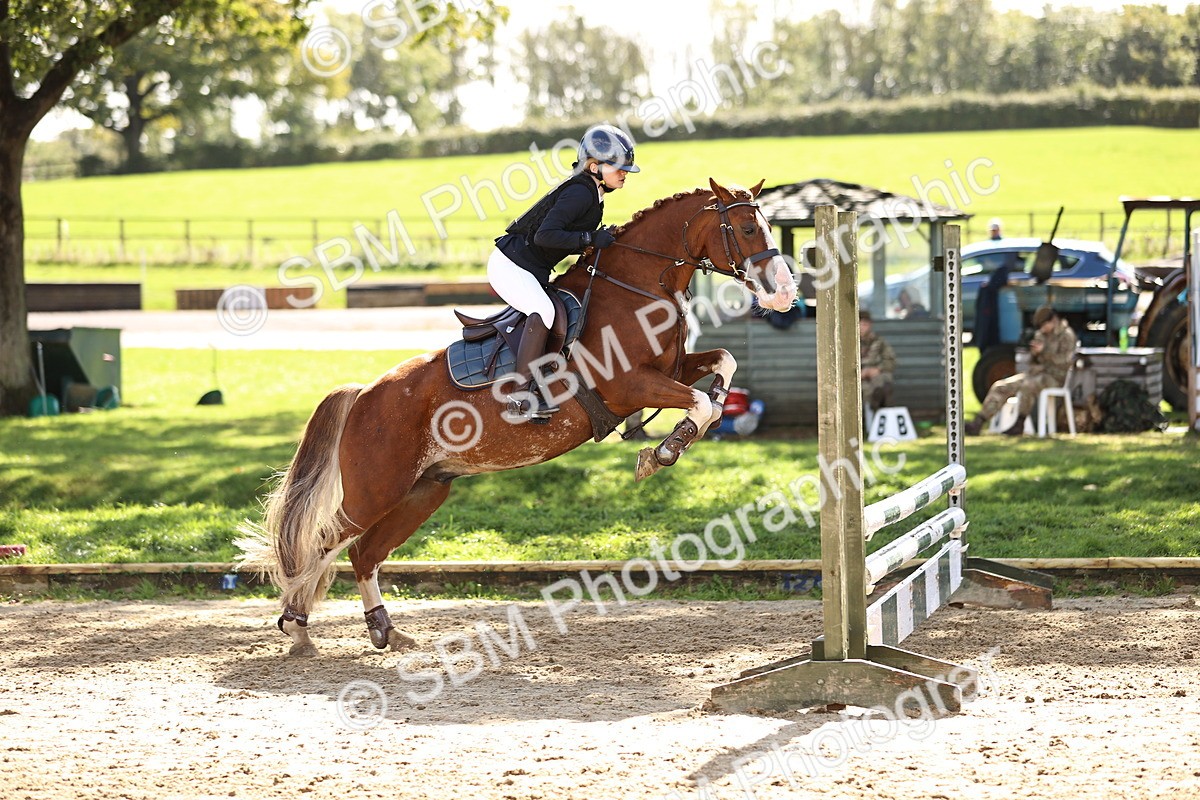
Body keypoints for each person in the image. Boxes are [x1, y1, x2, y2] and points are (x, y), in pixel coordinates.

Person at [489, 124, 639, 422]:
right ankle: (520, 397)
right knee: (543, 311)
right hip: (510, 265)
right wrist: (589, 239)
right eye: (619, 167)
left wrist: (596, 241)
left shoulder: (591, 192)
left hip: (528, 267)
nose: (625, 173)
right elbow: (546, 236)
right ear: (594, 167)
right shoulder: (580, 193)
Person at [965, 306, 1077, 436]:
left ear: (1052, 320)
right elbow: (1033, 362)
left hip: (1055, 377)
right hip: (1035, 374)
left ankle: (1019, 423)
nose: (1041, 329)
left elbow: (1065, 361)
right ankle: (979, 422)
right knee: (1001, 386)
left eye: (1043, 325)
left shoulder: (1066, 335)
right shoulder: (1041, 335)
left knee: (1027, 386)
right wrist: (1034, 353)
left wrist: (1044, 352)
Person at [860, 310, 896, 412]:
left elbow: (891, 361)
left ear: (870, 325)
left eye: (864, 324)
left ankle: (883, 418)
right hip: (856, 379)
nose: (861, 328)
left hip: (875, 378)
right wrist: (859, 374)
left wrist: (877, 370)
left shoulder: (879, 342)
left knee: (883, 383)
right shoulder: (848, 343)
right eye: (859, 324)